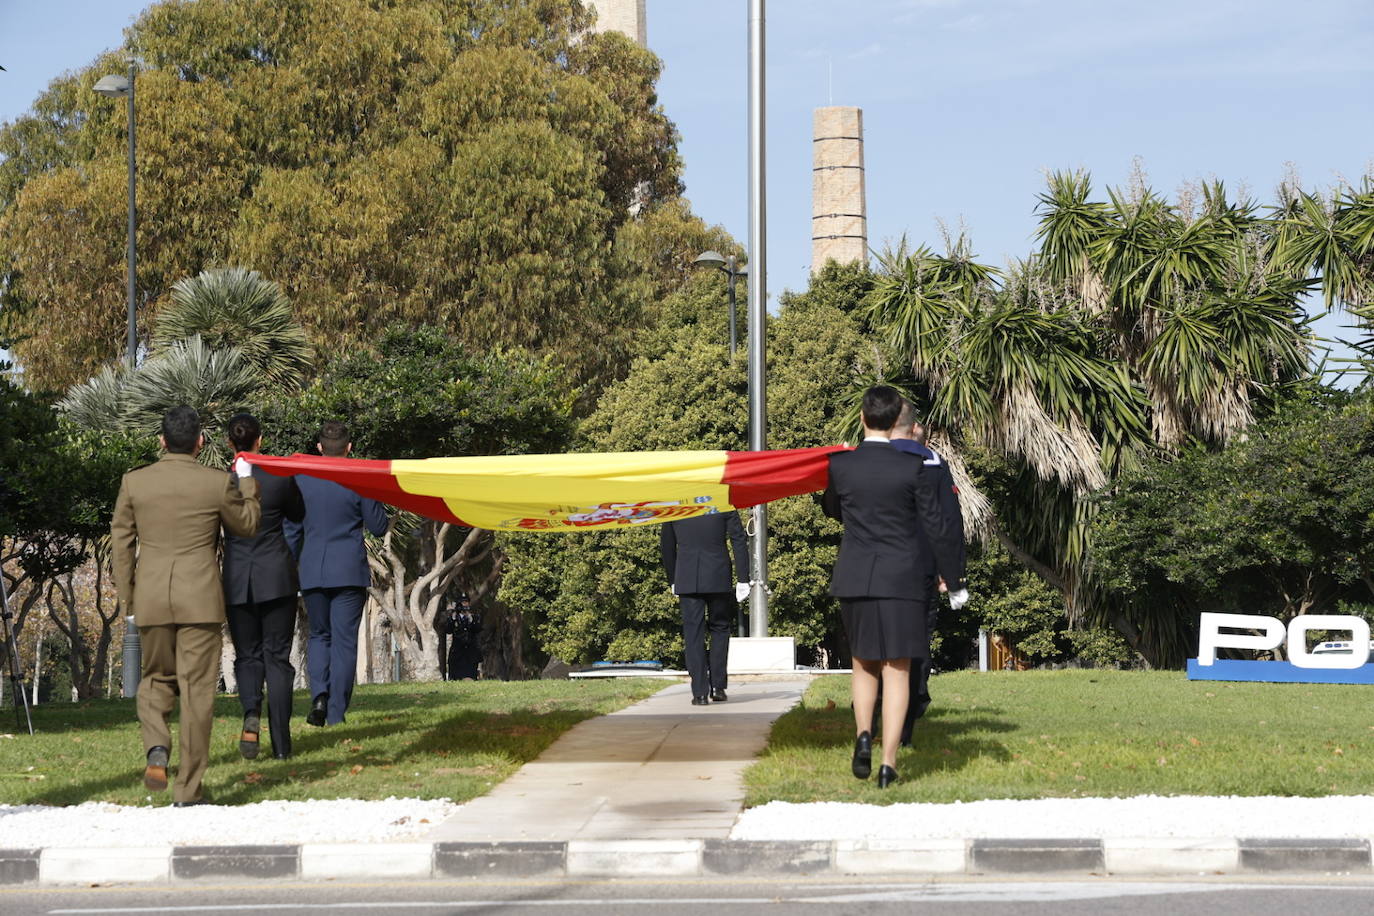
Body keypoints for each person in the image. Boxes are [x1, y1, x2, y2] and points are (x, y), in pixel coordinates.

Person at [111, 406, 261, 806]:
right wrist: (246, 483)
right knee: (197, 694)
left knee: (155, 680)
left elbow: (121, 543)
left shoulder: (134, 482)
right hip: (200, 600)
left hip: (152, 597)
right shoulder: (215, 482)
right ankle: (188, 790)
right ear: (200, 442)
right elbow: (246, 525)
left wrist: (129, 596)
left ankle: (157, 746)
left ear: (161, 440)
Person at [822, 386, 968, 788]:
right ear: (897, 422)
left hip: (854, 574)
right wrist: (953, 579)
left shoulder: (840, 465)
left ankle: (863, 735)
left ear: (864, 418)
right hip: (902, 576)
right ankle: (888, 763)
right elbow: (937, 526)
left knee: (863, 663)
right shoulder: (915, 468)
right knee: (897, 669)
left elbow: (833, 508)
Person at [284, 421, 389, 726]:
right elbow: (379, 526)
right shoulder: (358, 478)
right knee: (344, 642)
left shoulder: (301, 479)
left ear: (318, 447)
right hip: (348, 570)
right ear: (349, 447)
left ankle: (319, 694)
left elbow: (291, 529)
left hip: (312, 569)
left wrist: (289, 566)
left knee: (319, 635)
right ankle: (335, 712)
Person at [221, 413, 304, 760]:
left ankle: (251, 710)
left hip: (238, 578)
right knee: (278, 659)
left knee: (248, 655)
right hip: (277, 576)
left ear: (229, 443)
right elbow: (298, 515)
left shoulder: (220, 484)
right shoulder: (280, 478)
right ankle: (282, 745)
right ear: (260, 441)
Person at [889, 399, 965, 744]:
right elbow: (948, 522)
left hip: (876, 568)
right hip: (921, 567)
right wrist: (954, 573)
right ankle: (908, 710)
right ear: (911, 427)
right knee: (916, 643)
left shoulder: (863, 459)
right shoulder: (931, 463)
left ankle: (882, 711)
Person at [659, 510, 750, 705]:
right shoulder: (722, 502)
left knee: (693, 634)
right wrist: (743, 578)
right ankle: (717, 687)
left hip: (687, 577)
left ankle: (699, 693)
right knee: (720, 629)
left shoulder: (676, 505)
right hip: (718, 575)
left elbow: (667, 545)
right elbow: (738, 540)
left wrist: (672, 578)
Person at [442, 592, 482, 681]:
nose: (464, 605)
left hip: (470, 652)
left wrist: (471, 619)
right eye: (462, 602)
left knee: (470, 676)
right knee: (456, 677)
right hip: (457, 652)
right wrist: (452, 619)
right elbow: (448, 630)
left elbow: (478, 629)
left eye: (466, 602)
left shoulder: (474, 617)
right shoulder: (453, 617)